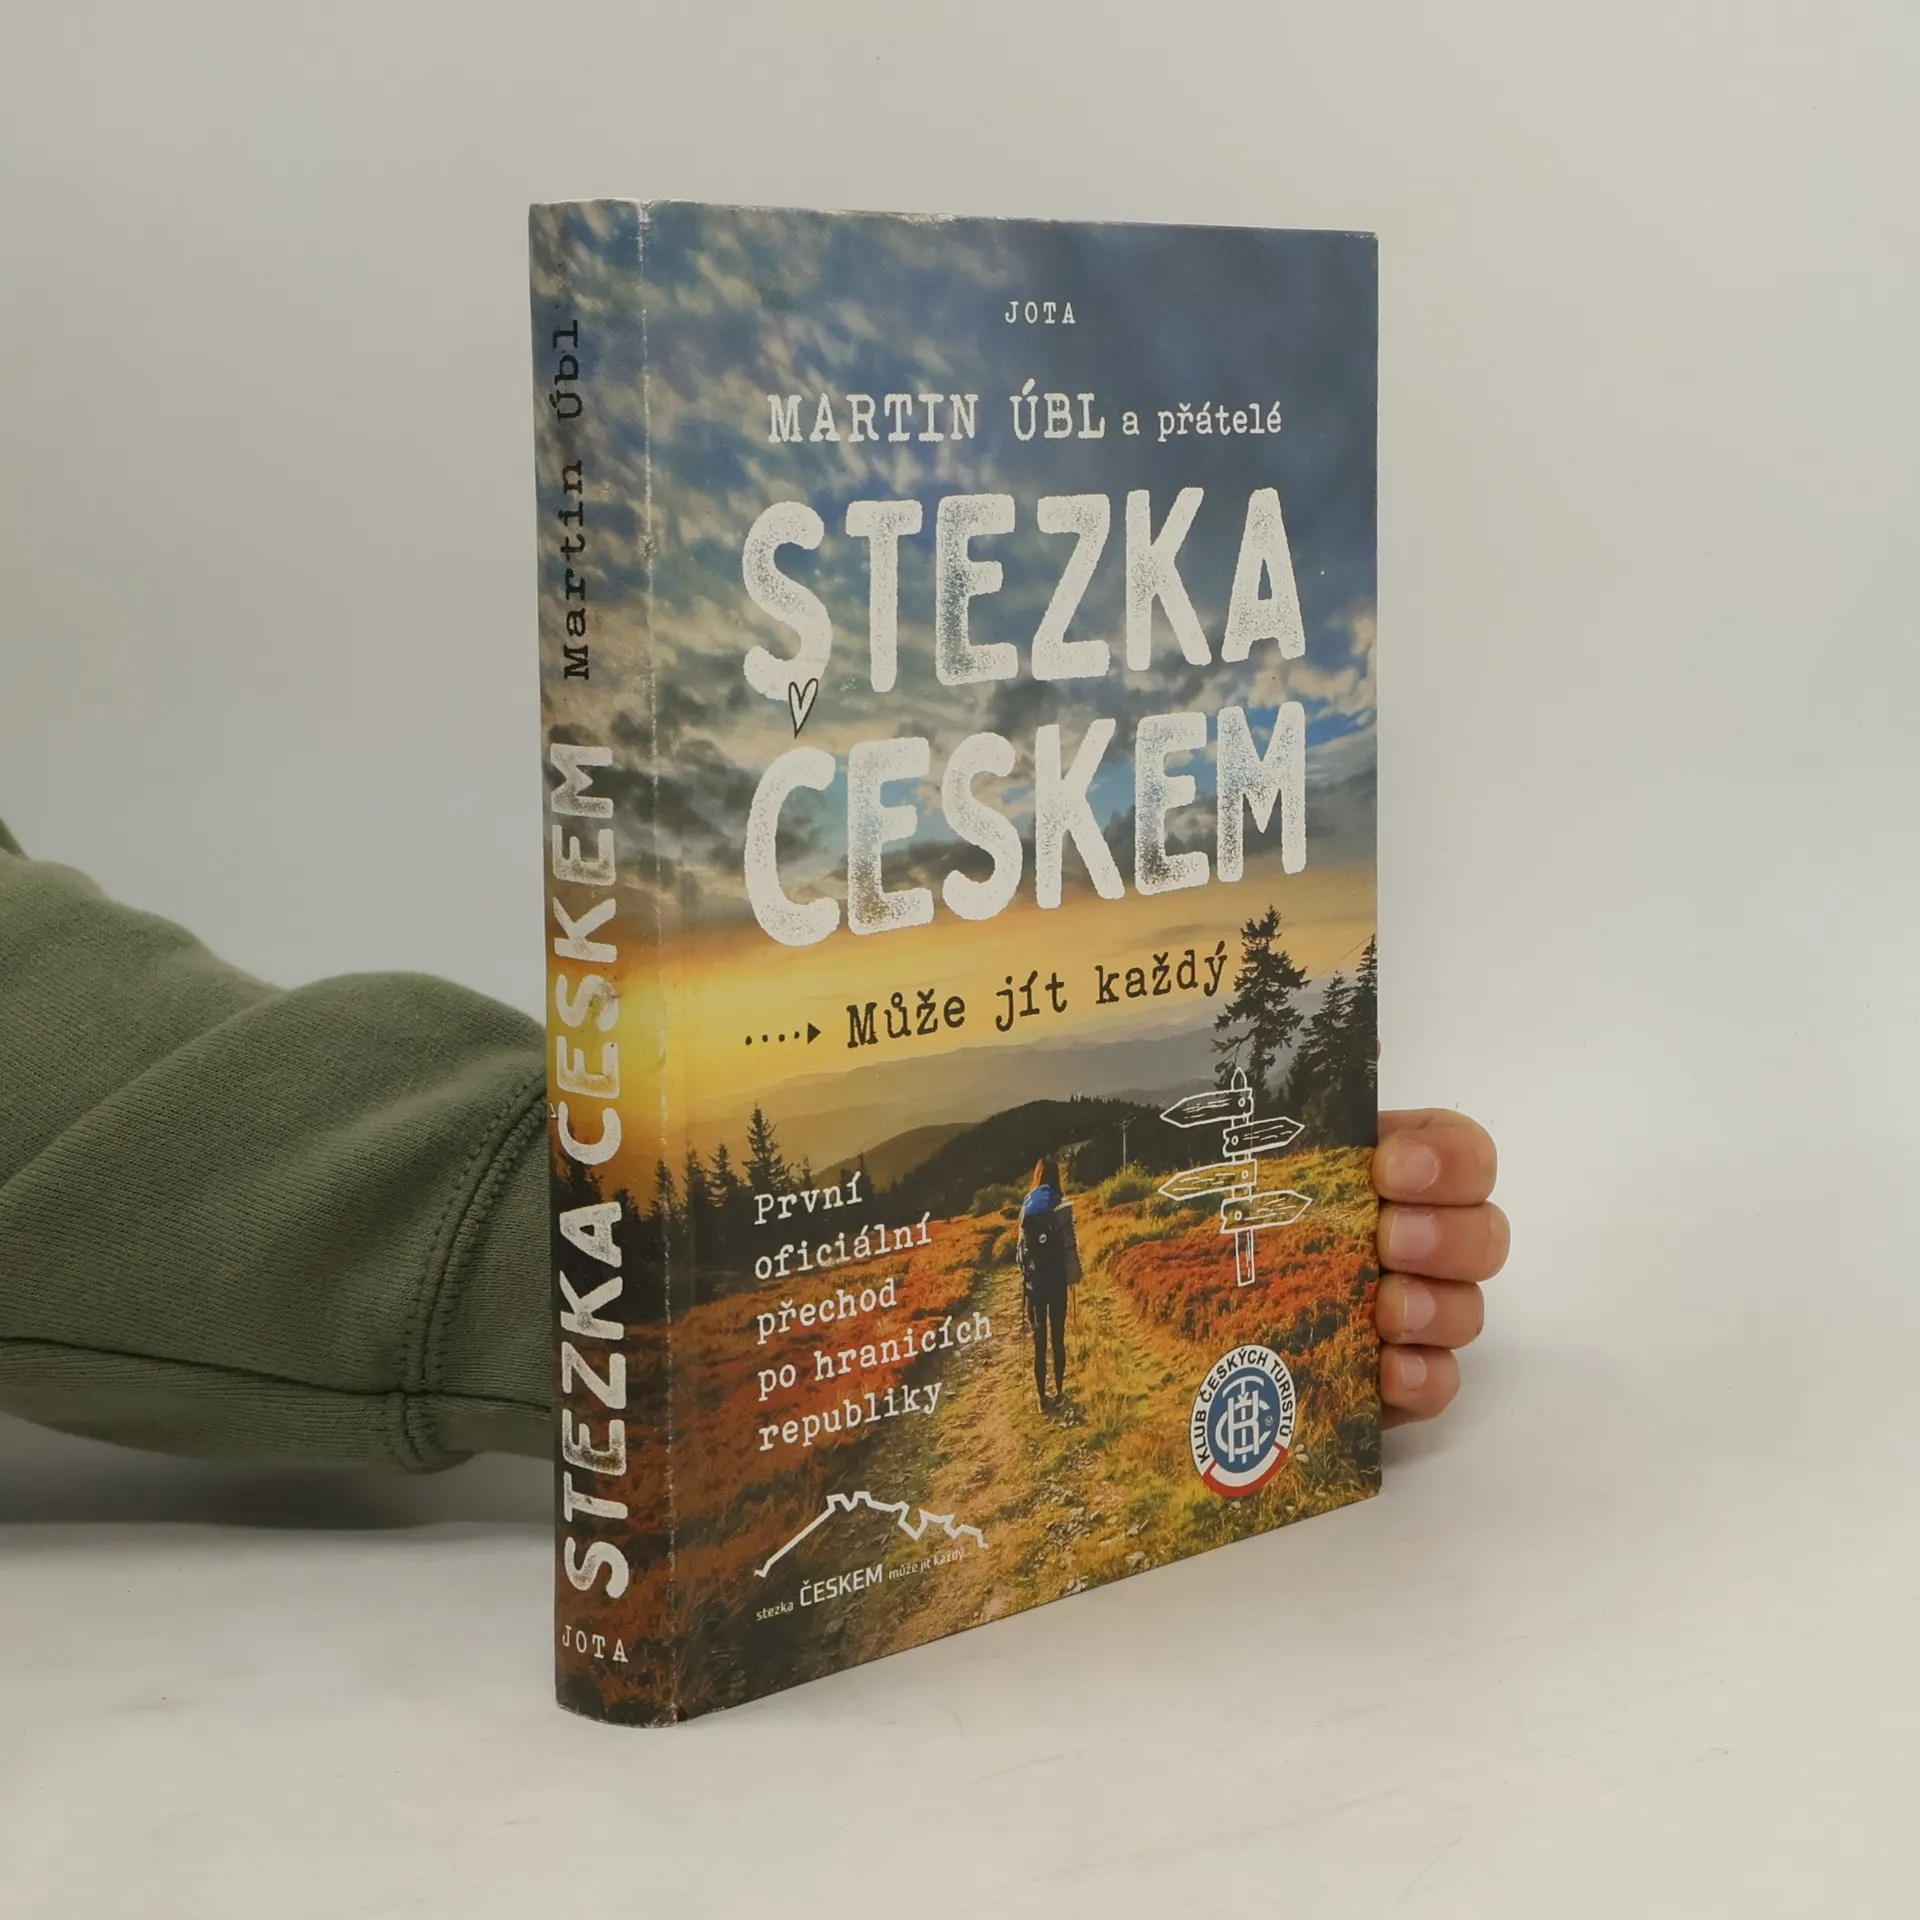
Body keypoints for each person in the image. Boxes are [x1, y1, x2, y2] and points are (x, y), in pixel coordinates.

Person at [0, 821, 1509, 1469]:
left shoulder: (1053, 1209)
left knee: (1056, 1343)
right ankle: (1050, 1387)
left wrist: (1240, 1223)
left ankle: (1057, 1388)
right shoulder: (1031, 1213)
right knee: (1044, 1343)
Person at [1018, 1155, 1079, 1409]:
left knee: (1039, 1341)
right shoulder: (1061, 1204)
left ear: (1038, 1176)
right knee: (1057, 1338)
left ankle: (1042, 1398)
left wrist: (1027, 1276)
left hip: (1035, 1286)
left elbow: (1020, 1251)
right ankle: (1060, 1391)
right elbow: (1069, 1247)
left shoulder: (1027, 1204)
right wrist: (1073, 1276)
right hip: (1056, 1282)